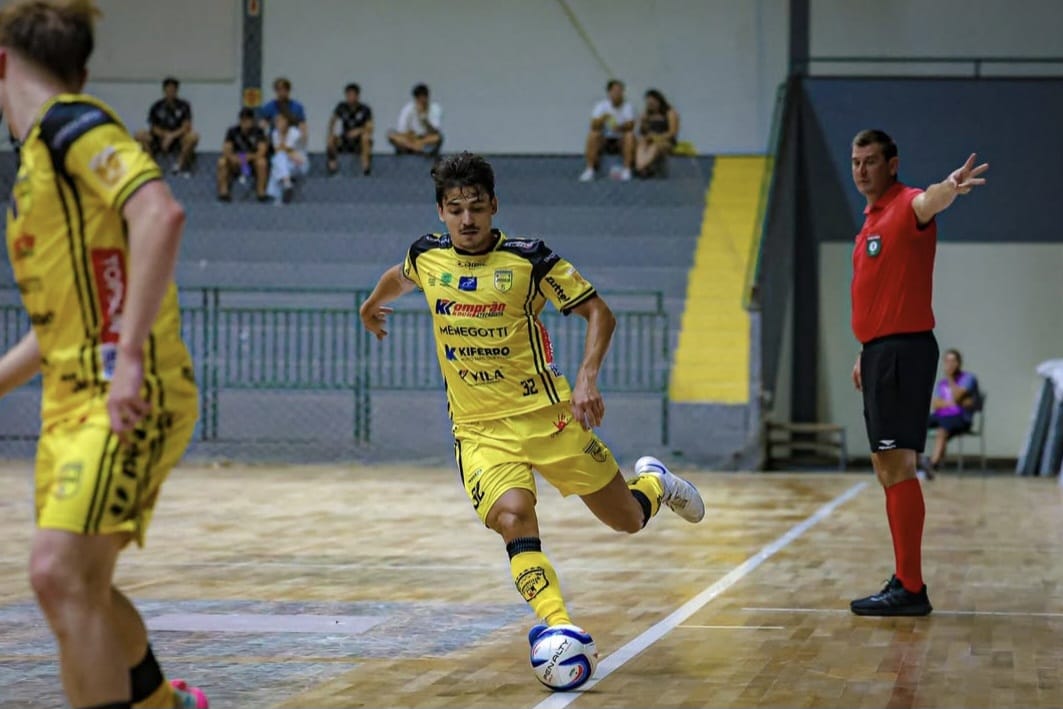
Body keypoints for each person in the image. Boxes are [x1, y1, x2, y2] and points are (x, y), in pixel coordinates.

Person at [359, 152, 705, 648]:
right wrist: (372, 303)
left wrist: (587, 378)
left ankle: (655, 482)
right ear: (440, 212)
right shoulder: (427, 255)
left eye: (476, 206)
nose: (467, 219)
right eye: (455, 209)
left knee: (626, 519)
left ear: (494, 205)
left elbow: (599, 314)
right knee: (513, 517)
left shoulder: (530, 259)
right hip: (480, 431)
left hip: (551, 420)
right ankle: (559, 625)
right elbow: (400, 273)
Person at [0, 1, 207, 708]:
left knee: (59, 574)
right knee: (78, 580)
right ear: (81, 66)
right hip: (70, 397)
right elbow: (57, 327)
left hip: (120, 393)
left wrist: (127, 364)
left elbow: (160, 212)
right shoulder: (38, 165)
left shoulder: (70, 124)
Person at [848, 129, 988, 616]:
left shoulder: (907, 205)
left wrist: (950, 184)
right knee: (888, 466)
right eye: (856, 161)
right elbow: (877, 296)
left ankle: (910, 587)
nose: (862, 169)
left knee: (896, 465)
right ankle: (906, 579)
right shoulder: (870, 221)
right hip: (882, 353)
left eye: (870, 161)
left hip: (902, 353)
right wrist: (865, 352)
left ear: (892, 163)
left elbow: (931, 200)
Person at [922, 348, 980, 478]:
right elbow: (935, 404)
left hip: (960, 417)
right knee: (917, 424)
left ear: (959, 363)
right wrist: (952, 403)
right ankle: (917, 463)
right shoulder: (941, 383)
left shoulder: (968, 378)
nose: (950, 364)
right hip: (941, 415)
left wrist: (950, 378)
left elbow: (957, 396)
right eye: (947, 360)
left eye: (953, 360)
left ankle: (933, 463)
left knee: (943, 430)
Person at [133, 76, 198, 176]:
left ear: (177, 91)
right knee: (139, 135)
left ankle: (178, 166)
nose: (170, 92)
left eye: (173, 89)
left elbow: (186, 127)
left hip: (177, 138)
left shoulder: (184, 106)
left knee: (193, 136)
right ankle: (152, 166)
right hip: (159, 138)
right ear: (164, 90)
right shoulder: (156, 106)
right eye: (168, 89)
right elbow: (153, 127)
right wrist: (165, 136)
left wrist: (171, 136)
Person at [579, 79, 635, 182]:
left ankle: (627, 170)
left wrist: (620, 127)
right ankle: (589, 170)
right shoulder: (601, 106)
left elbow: (631, 125)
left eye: (620, 91)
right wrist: (603, 118)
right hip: (604, 138)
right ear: (609, 93)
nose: (617, 94)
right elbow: (593, 125)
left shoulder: (628, 106)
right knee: (593, 135)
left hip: (620, 139)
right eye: (615, 91)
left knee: (630, 135)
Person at [217, 107, 269, 202]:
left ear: (253, 120)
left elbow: (262, 151)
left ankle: (261, 192)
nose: (246, 122)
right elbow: (226, 149)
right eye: (243, 120)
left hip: (251, 163)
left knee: (262, 162)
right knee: (222, 161)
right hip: (236, 162)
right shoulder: (232, 131)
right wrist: (234, 158)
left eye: (248, 120)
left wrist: (248, 157)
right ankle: (223, 192)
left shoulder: (258, 132)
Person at [326, 82, 373, 176]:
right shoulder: (341, 107)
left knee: (366, 138)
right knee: (331, 139)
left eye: (352, 95)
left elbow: (370, 127)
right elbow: (332, 121)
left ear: (357, 96)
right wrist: (331, 133)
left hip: (359, 140)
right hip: (345, 138)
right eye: (348, 95)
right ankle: (332, 165)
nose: (350, 97)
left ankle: (366, 168)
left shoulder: (365, 109)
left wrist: (359, 131)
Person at [387, 83, 442, 156]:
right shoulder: (408, 109)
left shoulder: (435, 108)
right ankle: (417, 148)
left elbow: (435, 131)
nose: (422, 100)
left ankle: (413, 147)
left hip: (425, 139)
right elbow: (401, 130)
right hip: (411, 138)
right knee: (391, 135)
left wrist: (423, 118)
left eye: (424, 97)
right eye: (419, 97)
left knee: (437, 138)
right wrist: (411, 136)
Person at [634, 88, 679, 178]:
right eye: (649, 104)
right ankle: (642, 167)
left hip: (665, 142)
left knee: (655, 146)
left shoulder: (670, 113)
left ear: (659, 101)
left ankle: (640, 167)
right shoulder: (647, 114)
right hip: (649, 141)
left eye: (653, 103)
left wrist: (657, 137)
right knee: (641, 143)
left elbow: (672, 132)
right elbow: (643, 132)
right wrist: (644, 123)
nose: (651, 106)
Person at [267, 110, 308, 203]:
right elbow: (279, 150)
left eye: (280, 120)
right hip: (286, 163)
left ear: (287, 122)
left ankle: (275, 195)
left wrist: (285, 149)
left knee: (277, 163)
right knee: (278, 160)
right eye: (276, 121)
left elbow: (290, 150)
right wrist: (286, 150)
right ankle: (286, 185)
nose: (278, 123)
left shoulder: (294, 132)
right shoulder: (275, 133)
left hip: (299, 163)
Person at [258, 76, 307, 144]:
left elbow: (302, 125)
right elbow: (262, 125)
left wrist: (303, 138)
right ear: (275, 91)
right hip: (275, 140)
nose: (281, 92)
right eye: (279, 90)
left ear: (288, 90)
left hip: (293, 140)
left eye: (284, 89)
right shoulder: (269, 107)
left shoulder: (297, 107)